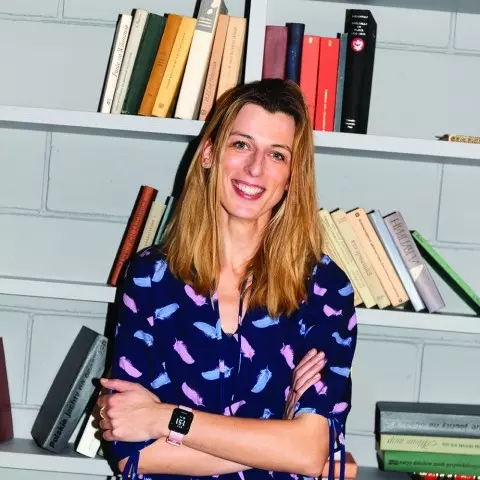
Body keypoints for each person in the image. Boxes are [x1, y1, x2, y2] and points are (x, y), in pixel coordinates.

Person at [96, 78, 357, 480]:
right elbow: (133, 454)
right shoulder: (150, 277)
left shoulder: (325, 289)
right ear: (208, 153)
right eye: (241, 145)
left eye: (277, 155)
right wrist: (280, 442)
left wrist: (166, 418)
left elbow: (307, 451)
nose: (255, 168)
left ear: (291, 177)